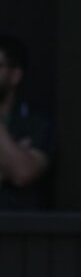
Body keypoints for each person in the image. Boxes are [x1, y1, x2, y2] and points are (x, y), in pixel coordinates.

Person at [0, 35, 53, 210]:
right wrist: (14, 153)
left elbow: (23, 173)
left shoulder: (37, 123)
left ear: (15, 75)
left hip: (20, 231)